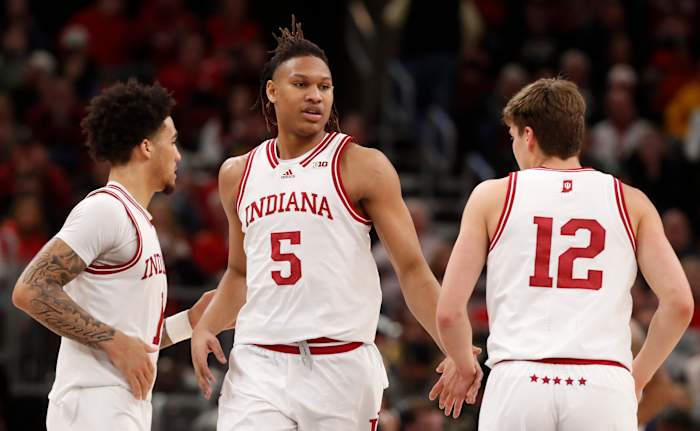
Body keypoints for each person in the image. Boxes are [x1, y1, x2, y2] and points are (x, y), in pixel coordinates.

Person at [190, 18, 480, 430]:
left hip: (339, 365)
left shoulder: (362, 165)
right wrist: (208, 325)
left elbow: (414, 271)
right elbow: (239, 272)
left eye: (324, 87)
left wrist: (456, 347)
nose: (315, 96)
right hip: (259, 362)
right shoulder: (237, 173)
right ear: (272, 91)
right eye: (301, 85)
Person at [434, 78, 694, 429]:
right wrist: (639, 375)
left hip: (519, 379)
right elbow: (679, 304)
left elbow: (449, 313)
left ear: (528, 136)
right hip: (602, 382)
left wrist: (464, 364)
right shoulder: (632, 202)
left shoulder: (492, 197)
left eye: (512, 137)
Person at [12, 80, 217, 431]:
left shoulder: (138, 220)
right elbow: (30, 290)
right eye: (173, 141)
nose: (179, 154)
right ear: (147, 147)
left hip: (122, 404)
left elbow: (135, 341)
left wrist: (190, 321)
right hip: (94, 404)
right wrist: (112, 341)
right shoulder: (106, 210)